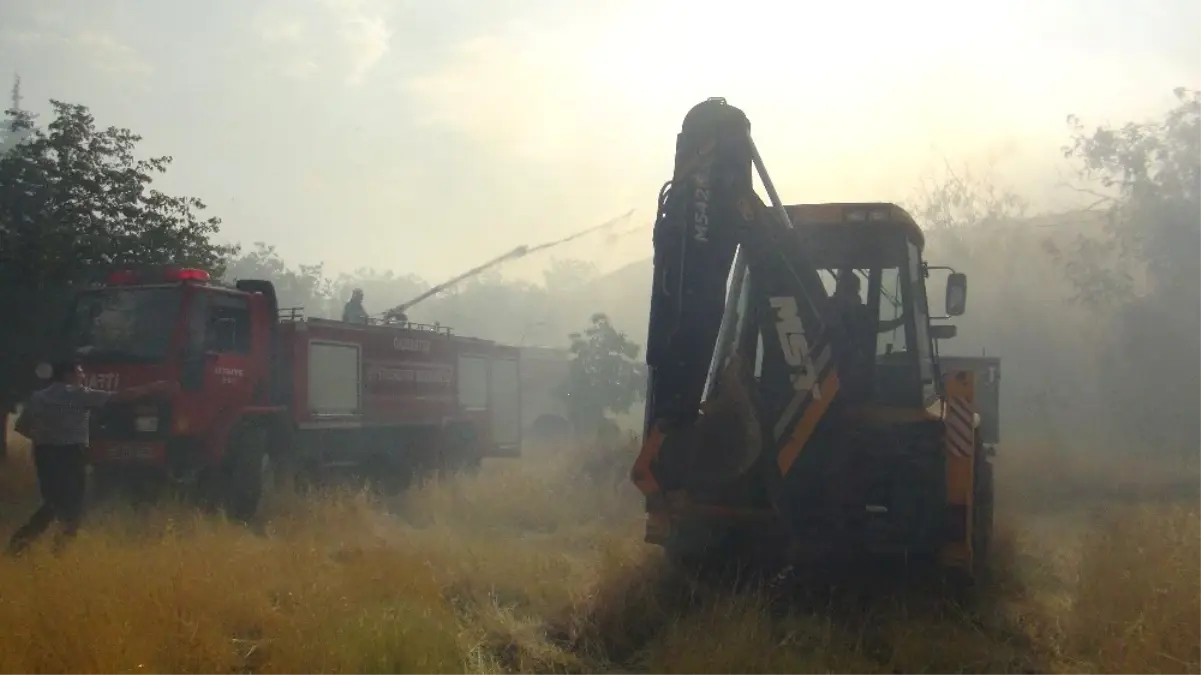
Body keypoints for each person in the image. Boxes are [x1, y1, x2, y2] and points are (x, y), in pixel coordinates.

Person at [7, 359, 178, 556]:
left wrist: (47, 438)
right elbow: (121, 396)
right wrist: (155, 387)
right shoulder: (79, 395)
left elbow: (22, 427)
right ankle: (58, 551)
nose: (83, 376)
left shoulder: (38, 397)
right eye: (80, 373)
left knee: (53, 502)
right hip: (70, 455)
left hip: (44, 454)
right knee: (74, 506)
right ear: (69, 375)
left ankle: (20, 544)